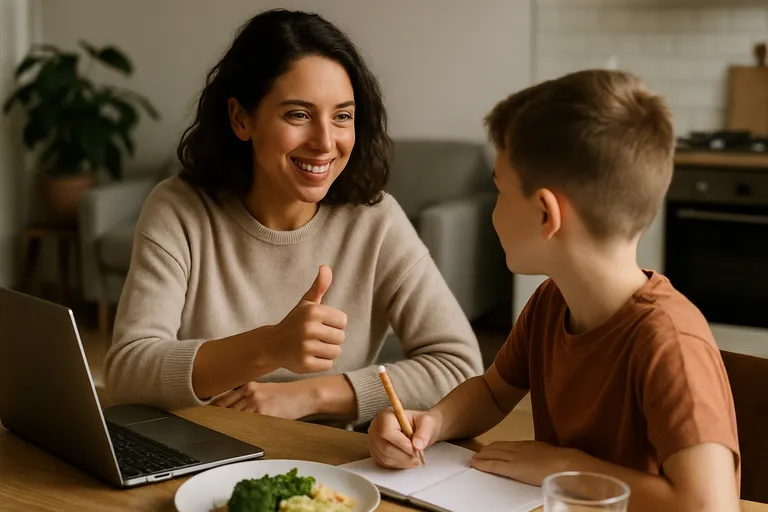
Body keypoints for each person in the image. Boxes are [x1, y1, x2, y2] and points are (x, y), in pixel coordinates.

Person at [367, 69, 741, 510]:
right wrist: (430, 422)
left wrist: (566, 469)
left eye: (500, 192)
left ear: (547, 214)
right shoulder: (551, 301)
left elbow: (709, 506)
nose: (494, 211)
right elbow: (492, 392)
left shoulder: (669, 344)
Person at [104, 8, 483, 427]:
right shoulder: (180, 208)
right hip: (199, 449)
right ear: (241, 118)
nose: (325, 142)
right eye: (298, 115)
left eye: (342, 116)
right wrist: (268, 347)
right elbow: (127, 370)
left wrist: (307, 395)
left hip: (330, 463)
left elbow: (461, 369)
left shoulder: (375, 221)